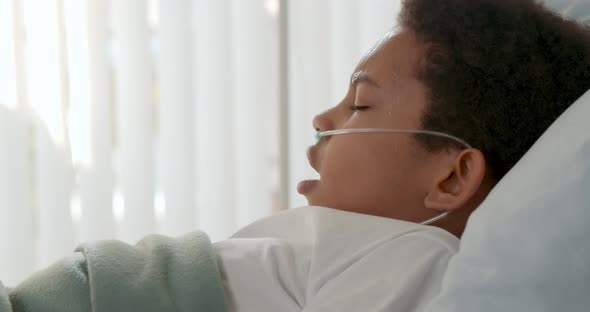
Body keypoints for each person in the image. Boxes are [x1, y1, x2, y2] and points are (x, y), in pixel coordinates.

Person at [3, 0, 590, 311]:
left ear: (452, 173)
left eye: (360, 104)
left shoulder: (412, 254)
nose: (322, 119)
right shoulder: (351, 240)